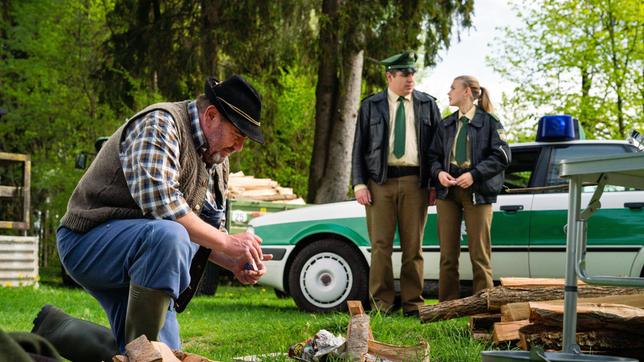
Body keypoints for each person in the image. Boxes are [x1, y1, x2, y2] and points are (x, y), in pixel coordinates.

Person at [33, 74, 271, 359]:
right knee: (169, 236)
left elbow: (204, 234)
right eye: (238, 135)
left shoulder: (217, 161)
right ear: (211, 116)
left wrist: (234, 262)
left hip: (146, 256)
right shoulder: (161, 124)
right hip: (86, 241)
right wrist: (228, 242)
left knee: (166, 352)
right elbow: (163, 206)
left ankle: (53, 331)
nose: (240, 146)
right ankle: (144, 357)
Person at [351, 51, 441, 317]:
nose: (410, 78)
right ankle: (381, 304)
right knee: (380, 246)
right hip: (380, 183)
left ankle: (414, 304)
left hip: (416, 183)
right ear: (390, 76)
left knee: (414, 247)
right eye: (404, 74)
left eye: (412, 73)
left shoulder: (428, 104)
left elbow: (437, 149)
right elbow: (359, 147)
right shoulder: (371, 105)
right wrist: (359, 184)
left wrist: (435, 183)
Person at [428, 75, 510, 302]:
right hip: (448, 192)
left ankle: (485, 306)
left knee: (479, 254)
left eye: (452, 88)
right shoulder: (445, 125)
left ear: (466, 92)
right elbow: (432, 156)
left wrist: (474, 175)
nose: (448, 92)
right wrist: (438, 173)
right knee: (447, 255)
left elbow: (502, 156)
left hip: (478, 192)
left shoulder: (490, 122)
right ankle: (446, 307)